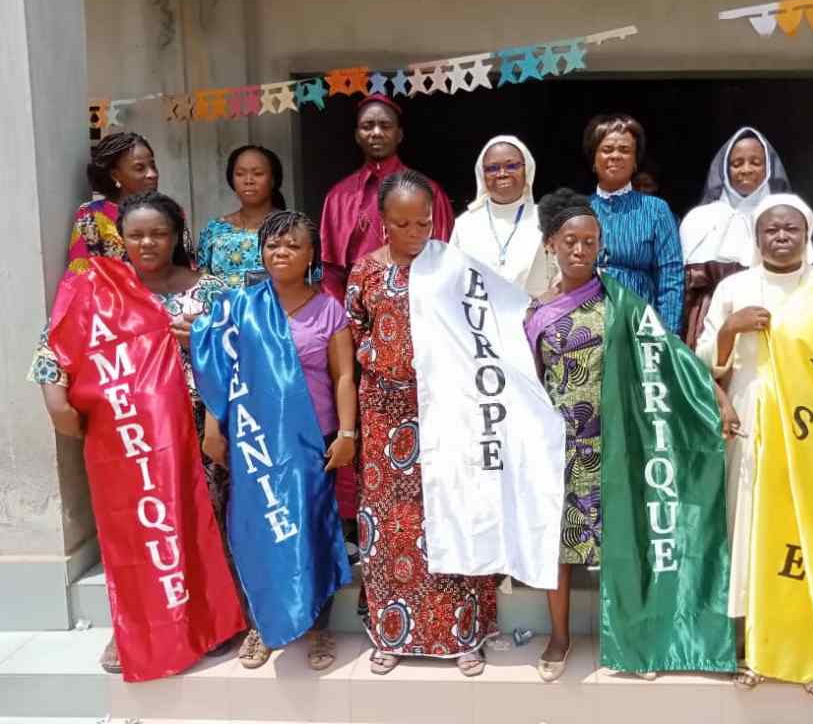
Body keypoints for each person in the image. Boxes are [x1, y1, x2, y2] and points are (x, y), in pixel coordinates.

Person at [527, 188, 736, 683]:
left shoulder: (622, 302)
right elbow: (527, 382)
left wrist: (718, 398)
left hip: (618, 444)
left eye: (590, 242)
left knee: (624, 541)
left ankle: (634, 639)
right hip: (560, 449)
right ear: (550, 244)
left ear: (601, 246)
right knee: (557, 548)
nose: (580, 250)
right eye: (570, 241)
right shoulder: (534, 312)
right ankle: (559, 637)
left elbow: (671, 357)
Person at [31, 191, 240, 677]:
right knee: (136, 534)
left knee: (202, 524)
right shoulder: (96, 290)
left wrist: (204, 340)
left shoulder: (212, 291)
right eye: (136, 235)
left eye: (159, 233)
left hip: (198, 433)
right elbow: (53, 347)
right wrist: (56, 402)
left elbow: (245, 352)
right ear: (120, 238)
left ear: (177, 236)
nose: (147, 243)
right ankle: (132, 627)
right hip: (128, 442)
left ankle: (213, 620)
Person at [696, 194, 813, 702]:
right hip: (752, 424)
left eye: (790, 229)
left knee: (805, 537)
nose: (780, 237)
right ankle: (753, 650)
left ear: (807, 234)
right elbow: (703, 362)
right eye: (770, 230)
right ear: (757, 238)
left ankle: (808, 653)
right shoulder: (734, 288)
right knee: (753, 534)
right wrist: (730, 328)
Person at [346, 170, 498, 677]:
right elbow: (355, 334)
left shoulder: (454, 268)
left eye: (424, 223)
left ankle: (463, 634)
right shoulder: (365, 271)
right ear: (382, 222)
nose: (415, 233)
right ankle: (391, 634)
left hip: (447, 412)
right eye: (402, 224)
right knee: (391, 524)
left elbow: (482, 334)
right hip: (384, 415)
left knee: (451, 515)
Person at [198, 210, 355, 671]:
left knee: (312, 530)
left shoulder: (329, 309)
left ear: (311, 255)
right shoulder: (239, 307)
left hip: (312, 441)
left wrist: (347, 434)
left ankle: (317, 626)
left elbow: (344, 377)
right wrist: (213, 428)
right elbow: (219, 373)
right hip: (254, 443)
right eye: (272, 244)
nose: (281, 252)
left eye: (292, 245)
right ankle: (262, 625)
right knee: (257, 532)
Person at [320, 94, 454, 301]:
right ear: (357, 135)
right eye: (367, 126)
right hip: (360, 307)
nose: (376, 133)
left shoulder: (429, 191)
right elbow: (330, 273)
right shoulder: (338, 198)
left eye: (385, 126)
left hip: (419, 305)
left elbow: (445, 259)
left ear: (399, 134)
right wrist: (343, 317)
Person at [679, 127, 794, 347]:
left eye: (756, 162)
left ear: (769, 168)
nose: (746, 169)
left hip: (770, 319)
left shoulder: (786, 219)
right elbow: (683, 288)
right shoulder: (697, 220)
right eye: (737, 163)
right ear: (724, 169)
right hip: (706, 326)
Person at [584, 113, 684, 333]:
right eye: (607, 149)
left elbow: (671, 275)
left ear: (635, 160)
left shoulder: (656, 210)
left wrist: (668, 336)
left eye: (625, 150)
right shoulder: (577, 210)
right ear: (594, 158)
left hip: (639, 323)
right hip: (586, 324)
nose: (615, 156)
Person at [450, 135, 551, 295]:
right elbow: (452, 280)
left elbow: (562, 278)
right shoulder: (465, 224)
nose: (502, 173)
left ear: (527, 170)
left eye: (512, 166)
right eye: (492, 168)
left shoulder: (547, 219)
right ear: (482, 174)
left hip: (537, 309)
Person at [65, 131, 159, 276]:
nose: (152, 174)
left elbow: (187, 267)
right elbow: (81, 275)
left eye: (153, 166)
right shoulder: (91, 217)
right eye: (140, 168)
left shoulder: (170, 212)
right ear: (115, 175)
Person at [196, 145, 286, 288]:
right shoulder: (214, 230)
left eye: (258, 174)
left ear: (273, 179)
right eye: (240, 174)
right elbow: (202, 284)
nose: (248, 180)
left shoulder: (292, 228)